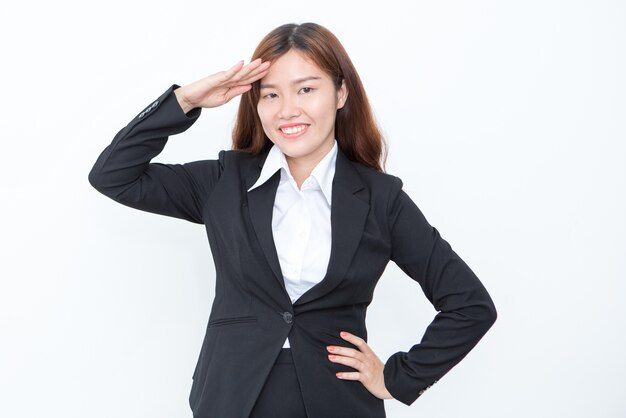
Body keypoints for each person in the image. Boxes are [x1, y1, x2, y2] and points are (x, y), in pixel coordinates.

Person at [88, 22, 497, 418]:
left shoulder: (380, 199)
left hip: (338, 402)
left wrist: (397, 378)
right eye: (270, 95)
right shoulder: (224, 182)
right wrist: (186, 101)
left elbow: (470, 304)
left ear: (341, 92)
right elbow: (113, 175)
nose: (288, 110)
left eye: (306, 89)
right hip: (231, 399)